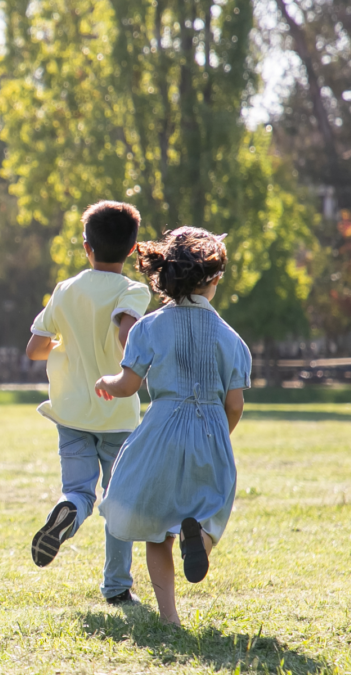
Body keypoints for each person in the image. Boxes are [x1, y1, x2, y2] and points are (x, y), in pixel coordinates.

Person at [95, 226, 249, 626]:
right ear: (213, 279)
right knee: (211, 510)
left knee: (155, 527)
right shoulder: (231, 339)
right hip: (211, 430)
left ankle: (170, 619)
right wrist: (218, 436)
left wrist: (106, 383)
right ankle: (200, 539)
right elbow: (235, 404)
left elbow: (127, 385)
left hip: (161, 429)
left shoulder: (148, 327)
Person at [25, 201, 151, 605]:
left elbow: (34, 349)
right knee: (119, 500)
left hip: (71, 412)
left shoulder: (66, 289)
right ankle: (117, 587)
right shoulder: (133, 289)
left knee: (78, 490)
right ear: (132, 250)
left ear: (86, 247)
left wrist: (69, 345)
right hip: (116, 412)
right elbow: (126, 333)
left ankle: (67, 511)